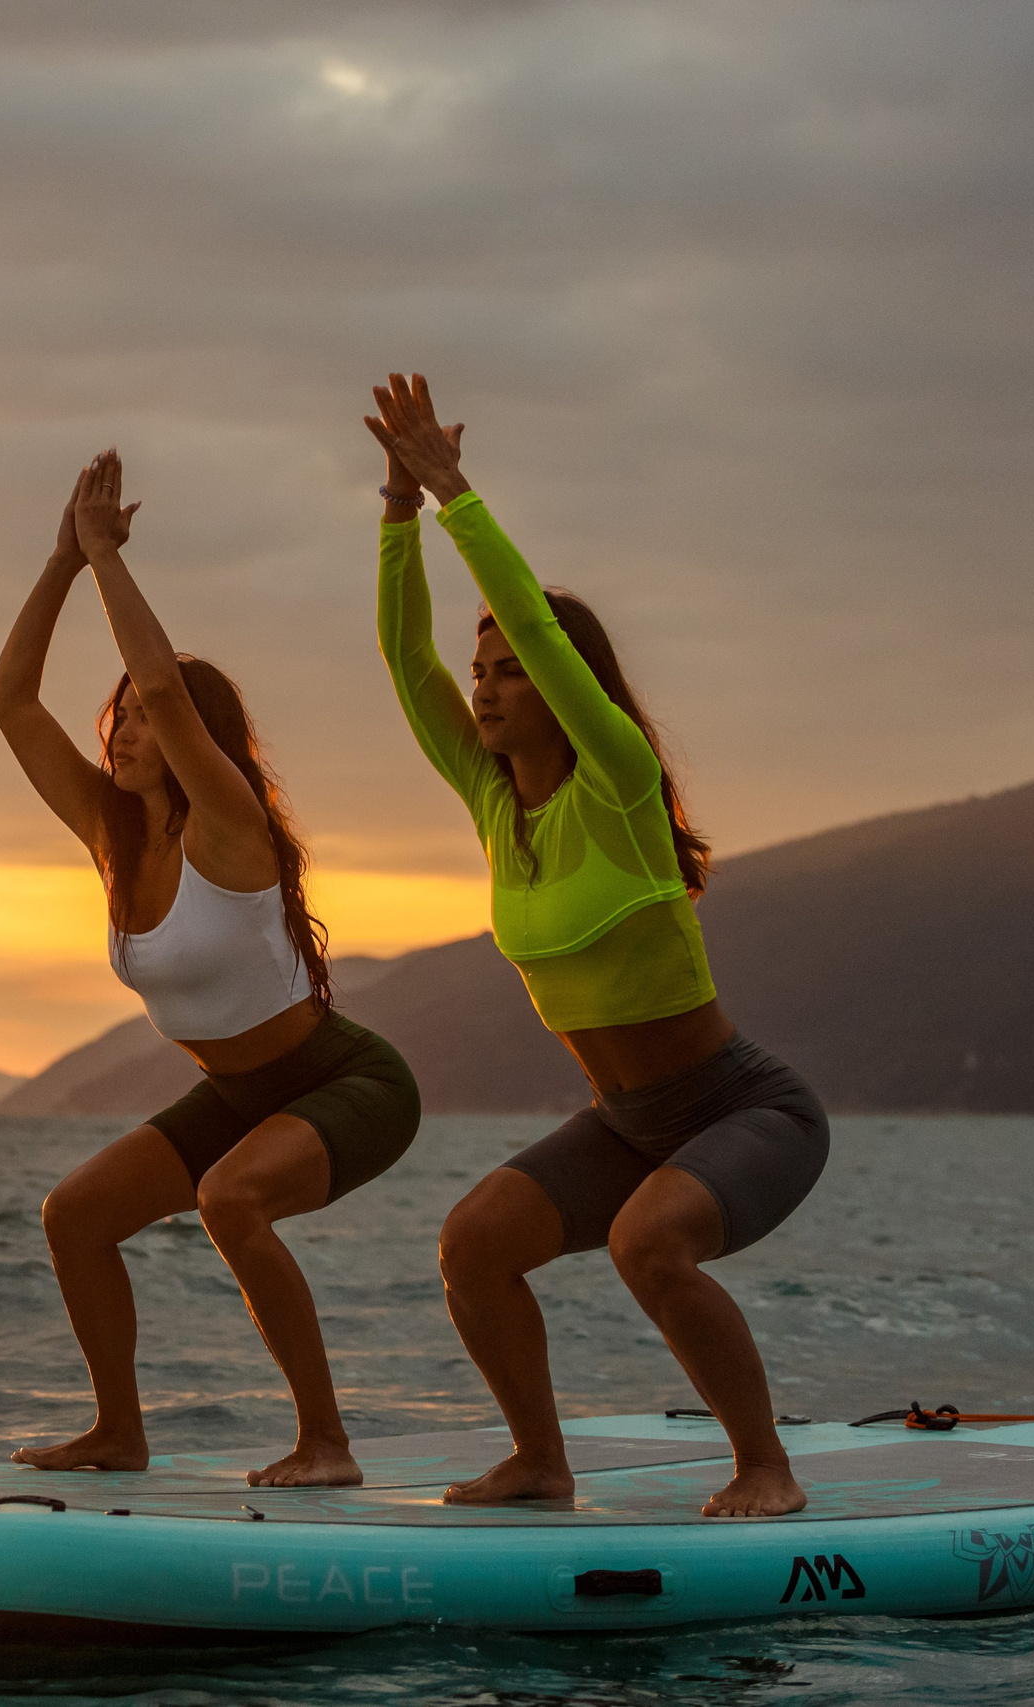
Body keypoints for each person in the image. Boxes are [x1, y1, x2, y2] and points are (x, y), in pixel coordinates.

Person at [362, 374, 829, 1516]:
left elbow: (530, 617)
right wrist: (393, 515)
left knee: (647, 1245)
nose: (483, 687)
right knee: (472, 1243)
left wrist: (456, 495)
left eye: (508, 670)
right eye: (477, 675)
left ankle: (764, 1466)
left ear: (564, 684)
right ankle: (539, 1463)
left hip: (741, 1110)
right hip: (625, 1124)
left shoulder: (615, 784)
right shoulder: (492, 806)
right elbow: (400, 658)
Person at [0, 449, 423, 1489]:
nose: (129, 726)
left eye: (146, 715)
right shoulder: (110, 834)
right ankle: (117, 1433)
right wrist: (59, 564)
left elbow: (169, 693)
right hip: (232, 1093)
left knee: (232, 1201)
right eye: (120, 717)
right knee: (76, 1213)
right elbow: (8, 701)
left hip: (346, 1082)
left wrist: (106, 561)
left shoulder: (228, 826)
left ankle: (327, 1444)